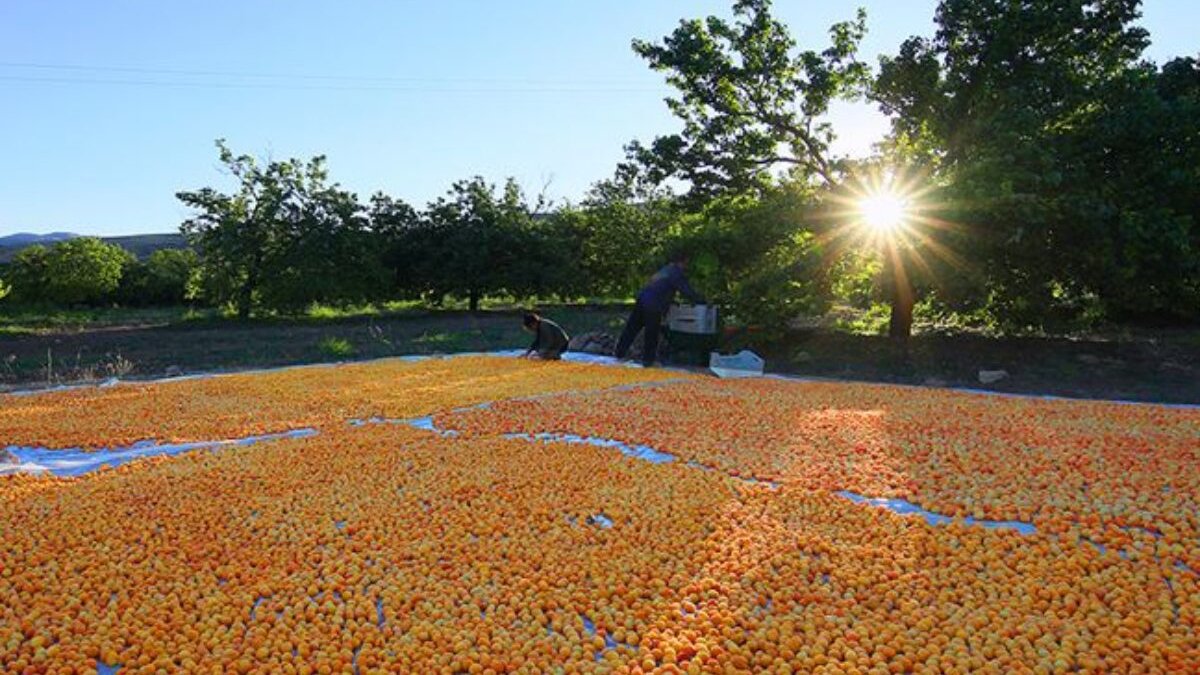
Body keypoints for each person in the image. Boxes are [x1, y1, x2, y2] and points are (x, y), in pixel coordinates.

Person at [615, 251, 705, 367]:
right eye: (686, 263)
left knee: (632, 328)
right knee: (652, 332)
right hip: (654, 305)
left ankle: (619, 353)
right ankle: (648, 360)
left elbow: (661, 288)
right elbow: (686, 290)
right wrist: (701, 301)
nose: (686, 267)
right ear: (682, 262)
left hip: (642, 300)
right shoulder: (675, 273)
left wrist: (671, 301)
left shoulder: (664, 270)